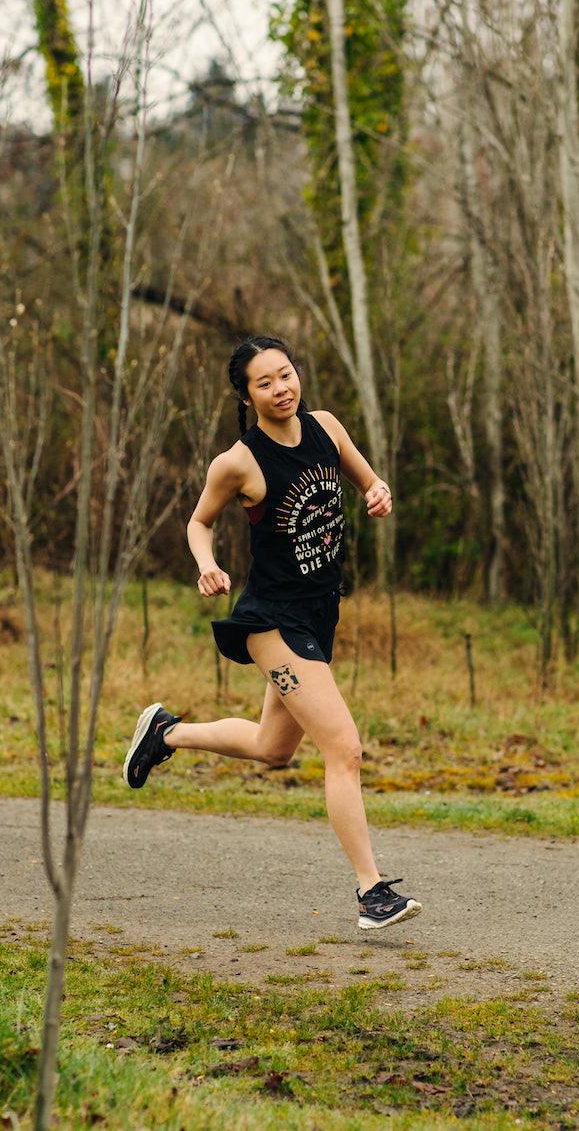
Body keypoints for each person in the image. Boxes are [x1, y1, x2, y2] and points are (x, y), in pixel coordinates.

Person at [123, 334, 422, 932]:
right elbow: (199, 521)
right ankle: (372, 893)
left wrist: (377, 491)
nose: (281, 388)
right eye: (265, 382)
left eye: (286, 375)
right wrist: (206, 564)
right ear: (247, 395)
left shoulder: (327, 427)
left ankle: (167, 733)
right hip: (273, 621)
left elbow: (367, 479)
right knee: (344, 748)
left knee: (272, 749)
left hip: (319, 613)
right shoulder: (238, 462)